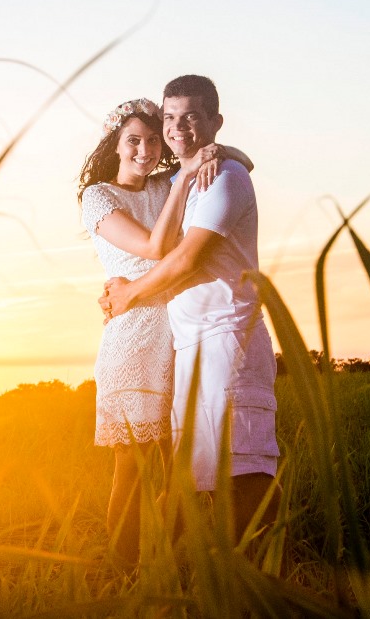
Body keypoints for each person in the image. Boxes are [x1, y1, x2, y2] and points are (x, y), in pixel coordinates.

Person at [99, 75, 280, 544]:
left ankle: (266, 578)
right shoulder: (179, 178)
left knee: (244, 466)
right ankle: (174, 575)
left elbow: (186, 258)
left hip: (229, 335)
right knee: (198, 473)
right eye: (171, 118)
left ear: (215, 122)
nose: (177, 128)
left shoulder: (224, 176)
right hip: (186, 345)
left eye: (192, 117)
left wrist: (127, 294)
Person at [78, 97, 250, 564]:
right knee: (131, 467)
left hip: (177, 331)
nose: (145, 149)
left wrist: (218, 152)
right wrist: (189, 173)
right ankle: (121, 568)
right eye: (133, 140)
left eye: (154, 140)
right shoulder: (98, 196)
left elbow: (242, 161)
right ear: (114, 144)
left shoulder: (166, 181)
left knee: (180, 465)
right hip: (132, 336)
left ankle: (165, 565)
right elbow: (156, 248)